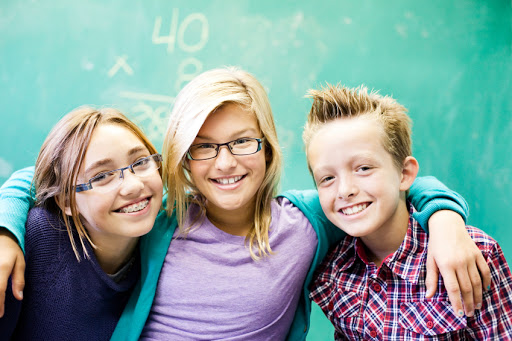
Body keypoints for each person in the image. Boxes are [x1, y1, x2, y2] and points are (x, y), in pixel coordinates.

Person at [0, 68, 489, 340]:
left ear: (269, 147)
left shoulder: (308, 220)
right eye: (203, 147)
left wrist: (446, 221)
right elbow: (37, 178)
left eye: (243, 142)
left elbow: (392, 182)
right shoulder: (158, 215)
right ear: (183, 161)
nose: (225, 162)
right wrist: (5, 231)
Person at [305, 85, 512, 339]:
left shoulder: (470, 255)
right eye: (327, 178)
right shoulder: (331, 268)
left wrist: (445, 217)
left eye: (364, 168)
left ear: (404, 174)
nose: (345, 190)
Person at [0, 107, 166, 340]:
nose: (133, 186)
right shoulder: (35, 239)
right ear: (66, 201)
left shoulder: (166, 236)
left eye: (140, 162)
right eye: (101, 176)